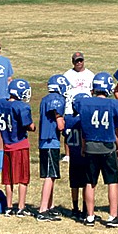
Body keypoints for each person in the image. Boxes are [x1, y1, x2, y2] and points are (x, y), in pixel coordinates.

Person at [74, 72, 118, 227]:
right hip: (107, 146)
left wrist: (84, 146)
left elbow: (83, 127)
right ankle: (113, 216)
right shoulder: (115, 105)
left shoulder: (83, 103)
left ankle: (90, 216)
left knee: (90, 182)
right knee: (112, 182)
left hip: (91, 145)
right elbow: (116, 130)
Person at [0, 79, 36, 216]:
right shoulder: (21, 106)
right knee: (23, 178)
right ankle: (21, 207)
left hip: (6, 144)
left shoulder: (1, 104)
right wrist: (33, 127)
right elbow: (28, 125)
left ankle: (8, 206)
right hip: (19, 144)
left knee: (8, 178)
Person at [36, 75, 68, 222]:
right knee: (50, 175)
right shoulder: (57, 100)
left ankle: (50, 205)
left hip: (44, 141)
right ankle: (43, 209)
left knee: (52, 175)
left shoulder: (44, 99)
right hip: (51, 141)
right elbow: (60, 124)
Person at [63, 51, 94, 160]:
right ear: (73, 62)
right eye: (76, 61)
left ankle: (86, 148)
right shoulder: (67, 75)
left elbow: (93, 90)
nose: (79, 63)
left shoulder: (90, 74)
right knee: (68, 129)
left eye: (80, 60)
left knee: (85, 128)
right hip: (70, 106)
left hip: (85, 105)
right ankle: (67, 154)